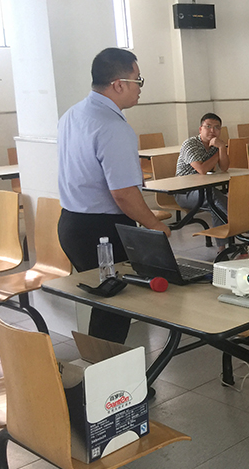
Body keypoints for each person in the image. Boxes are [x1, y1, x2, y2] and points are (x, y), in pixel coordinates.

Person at [58, 48, 171, 344]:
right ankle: (105, 372)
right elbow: (123, 194)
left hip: (71, 224)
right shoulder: (113, 127)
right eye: (138, 80)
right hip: (101, 232)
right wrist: (155, 226)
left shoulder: (72, 114)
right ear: (119, 84)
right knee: (116, 306)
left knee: (108, 303)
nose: (140, 87)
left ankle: (102, 369)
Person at [174, 113, 230, 245]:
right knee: (214, 197)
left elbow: (224, 167)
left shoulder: (216, 144)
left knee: (215, 203)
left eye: (217, 127)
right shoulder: (190, 144)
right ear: (200, 129)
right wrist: (219, 151)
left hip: (204, 188)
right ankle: (243, 224)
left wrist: (222, 148)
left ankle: (222, 247)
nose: (212, 130)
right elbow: (202, 169)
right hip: (184, 192)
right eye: (208, 126)